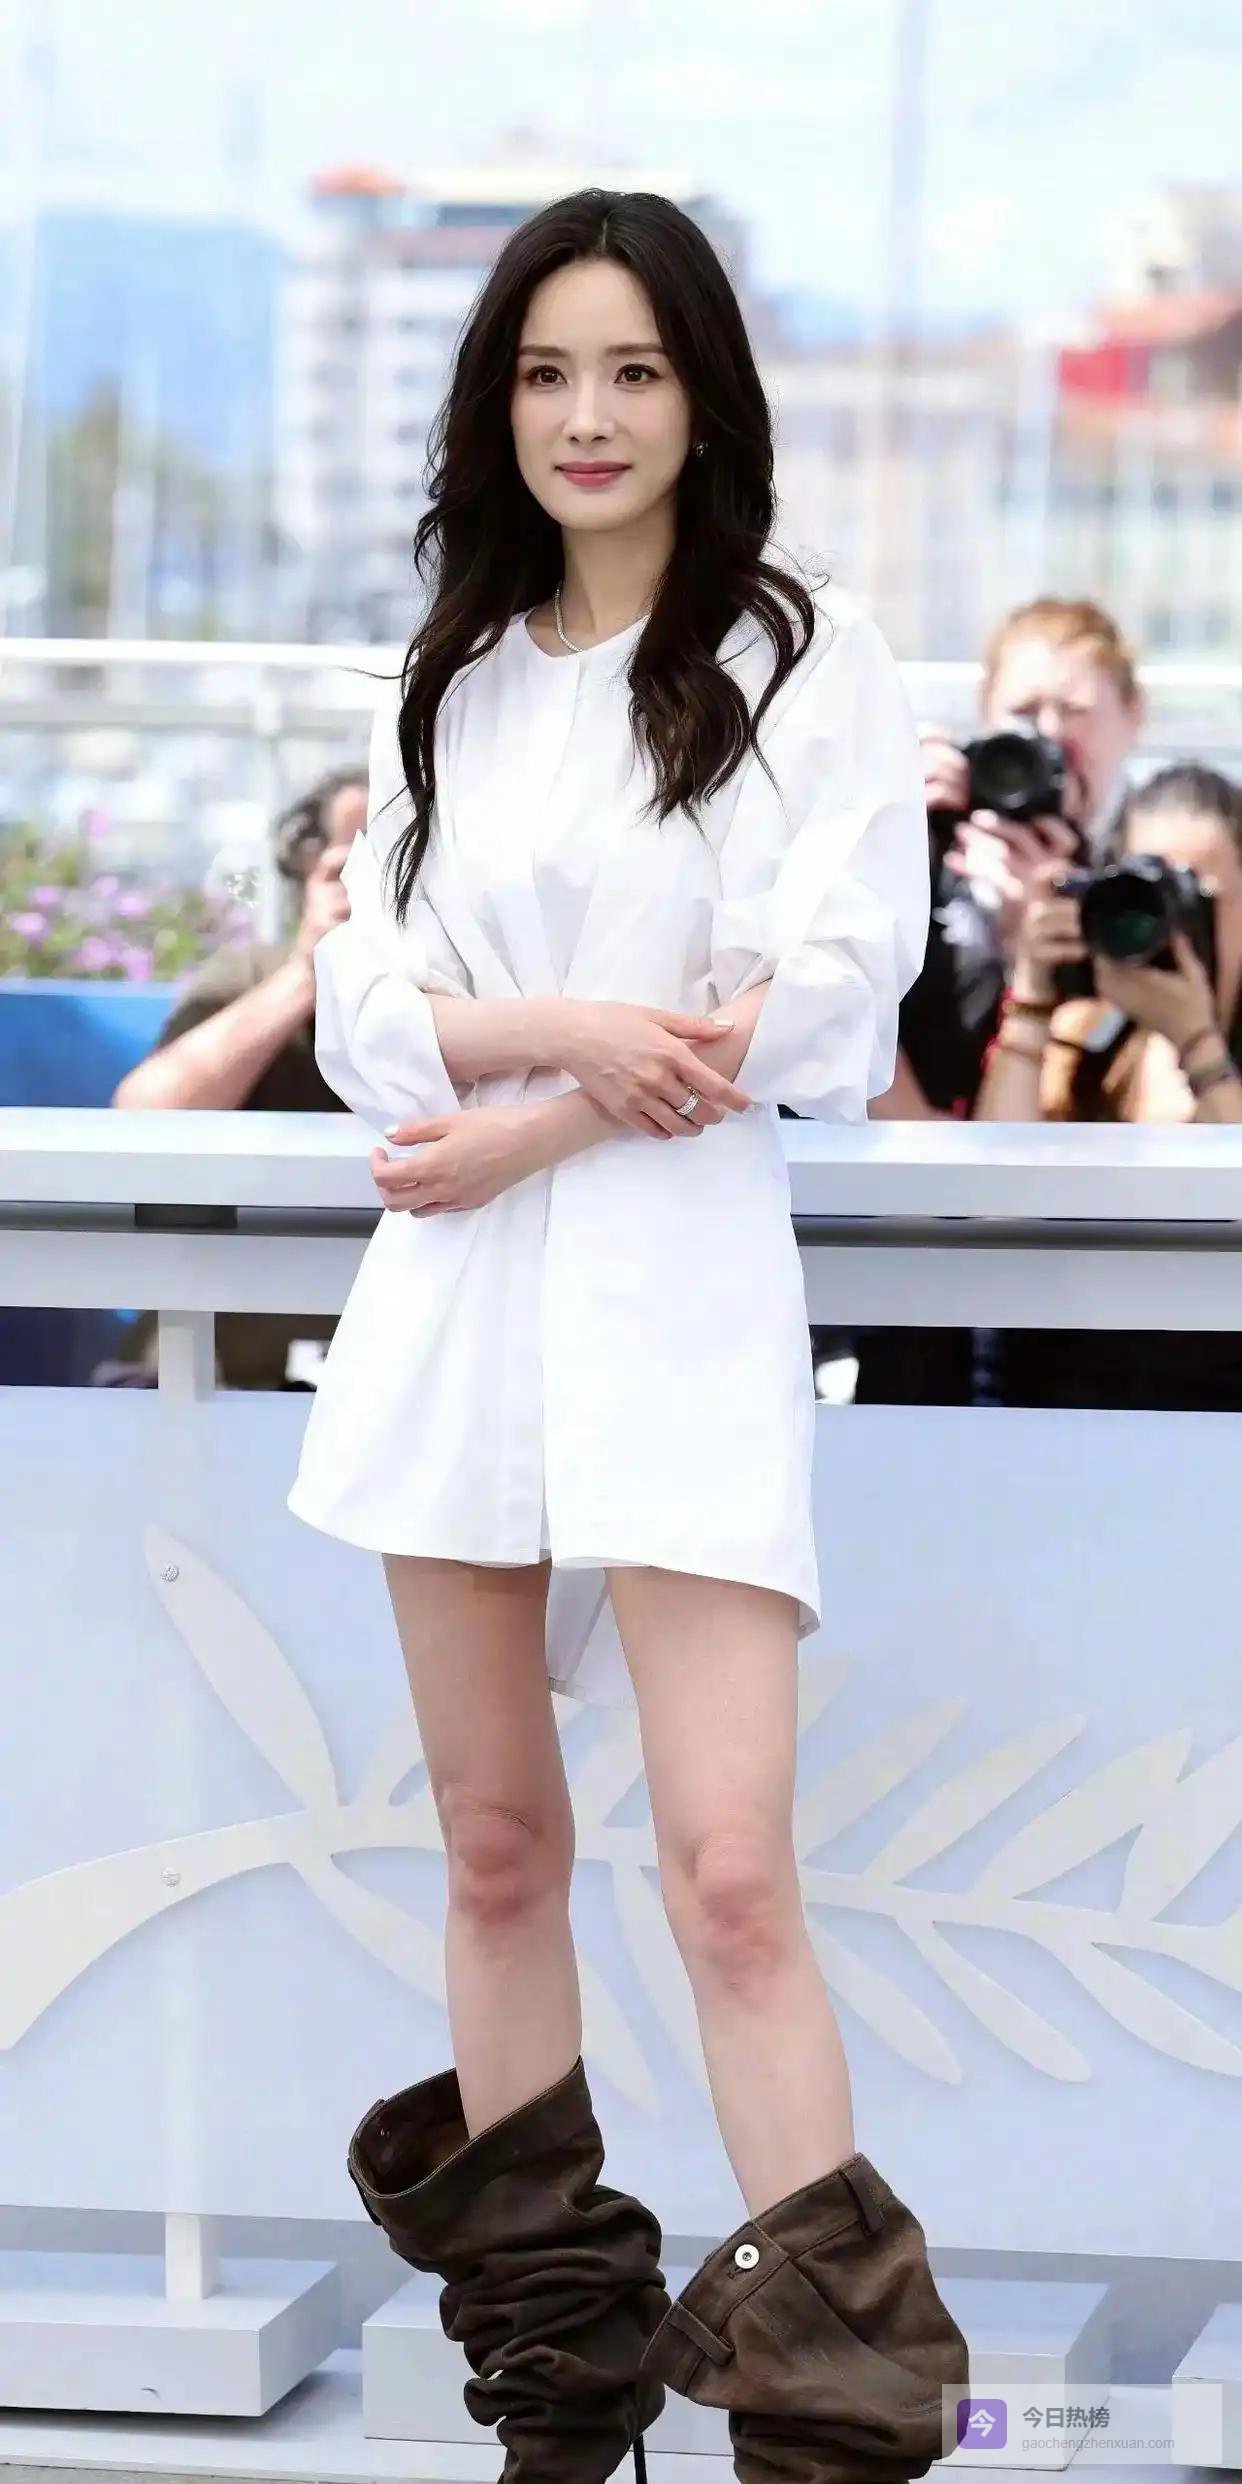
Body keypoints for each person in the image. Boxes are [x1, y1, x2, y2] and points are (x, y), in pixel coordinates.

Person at [285, 190, 968, 2484]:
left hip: (675, 1293)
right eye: (546, 372)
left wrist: (528, 1111)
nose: (588, 415)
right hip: (457, 1310)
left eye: (635, 371)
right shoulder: (453, 672)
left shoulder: (802, 653)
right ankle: (563, 2408)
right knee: (494, 1841)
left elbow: (820, 1001)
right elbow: (365, 1012)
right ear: (497, 405)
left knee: (729, 1871)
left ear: (703, 398)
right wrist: (566, 1037)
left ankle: (836, 2423)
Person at [852, 596, 1146, 1408]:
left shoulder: (1144, 878)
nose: (1048, 736)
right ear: (982, 721)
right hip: (911, 1254)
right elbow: (842, 1019)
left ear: (1133, 717)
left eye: (1076, 711)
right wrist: (884, 834)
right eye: (1023, 713)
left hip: (1083, 1271)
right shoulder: (921, 852)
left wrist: (1050, 943)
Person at [975, 760, 1242, 1406]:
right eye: (1146, 891)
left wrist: (1198, 1044)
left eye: (1195, 895)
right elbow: (991, 1203)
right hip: (1060, 1401)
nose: (1170, 921)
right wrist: (1032, 1002)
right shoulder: (1084, 1034)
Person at [108, 767, 367, 1389]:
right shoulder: (252, 975)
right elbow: (145, 1116)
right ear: (309, 870)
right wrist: (306, 976)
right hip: (213, 1359)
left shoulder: (485, 992)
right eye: (356, 863)